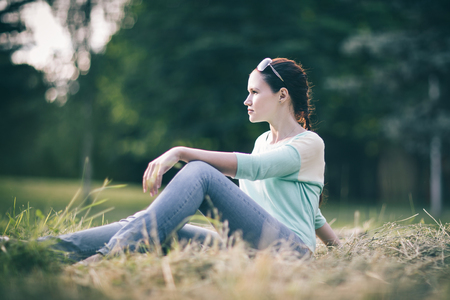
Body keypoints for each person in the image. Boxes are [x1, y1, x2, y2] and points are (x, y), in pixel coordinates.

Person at [40, 57, 341, 263]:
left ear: (282, 95)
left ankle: (106, 258)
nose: (246, 100)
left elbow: (257, 169)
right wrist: (341, 249)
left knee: (200, 171)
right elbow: (311, 213)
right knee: (153, 223)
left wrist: (182, 152)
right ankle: (44, 251)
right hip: (249, 248)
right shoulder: (262, 141)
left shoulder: (310, 144)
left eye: (254, 92)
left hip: (289, 253)